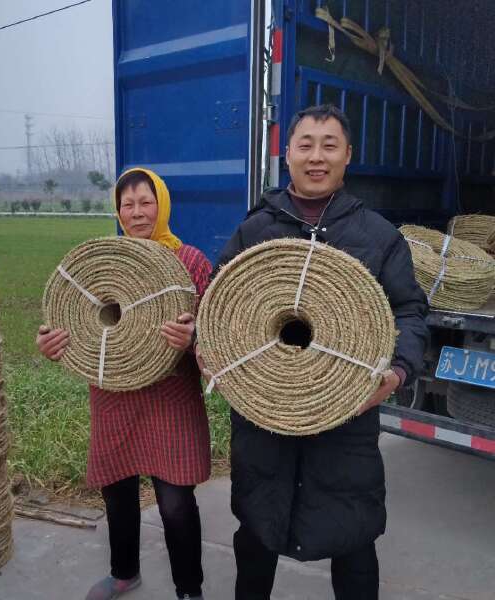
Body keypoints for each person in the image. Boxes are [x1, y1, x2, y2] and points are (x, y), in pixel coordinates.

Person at [196, 104, 429, 600]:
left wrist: (399, 369)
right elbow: (216, 304)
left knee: (354, 536)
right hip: (263, 424)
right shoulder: (254, 231)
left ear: (348, 155)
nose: (316, 156)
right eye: (305, 144)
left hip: (346, 420)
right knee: (257, 532)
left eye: (329, 145)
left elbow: (409, 311)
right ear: (287, 155)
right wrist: (207, 348)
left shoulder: (379, 237)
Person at [37, 168, 212, 600]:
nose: (136, 212)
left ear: (163, 205)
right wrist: (55, 342)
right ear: (117, 210)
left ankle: (190, 589)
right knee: (117, 488)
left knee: (174, 503)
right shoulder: (103, 264)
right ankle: (123, 572)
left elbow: (218, 332)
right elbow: (74, 321)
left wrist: (193, 340)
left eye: (145, 202)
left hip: (172, 397)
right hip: (113, 394)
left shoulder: (190, 261)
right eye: (127, 203)